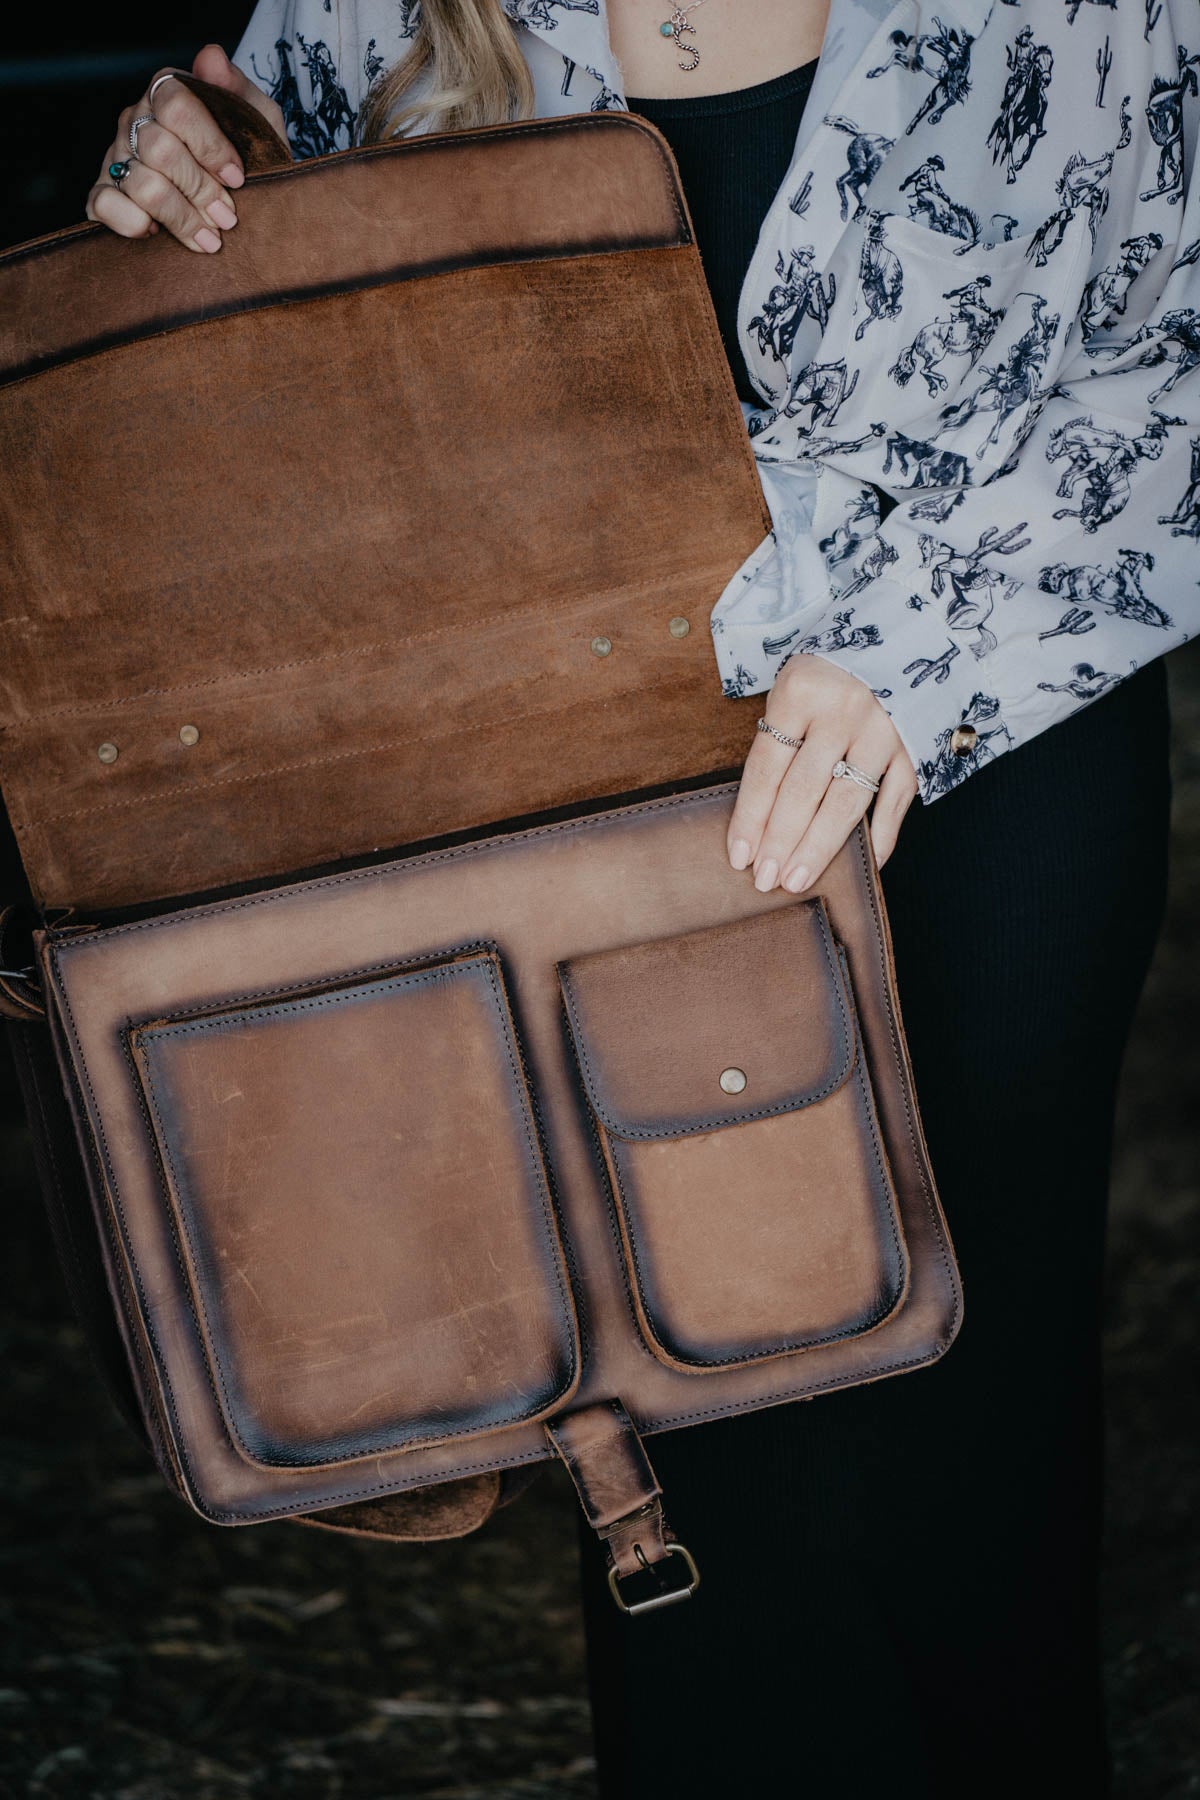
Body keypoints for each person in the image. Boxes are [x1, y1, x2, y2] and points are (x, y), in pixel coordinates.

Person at [86, 2, 1195, 1792]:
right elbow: (267, 311)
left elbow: (1184, 346)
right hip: (576, 815)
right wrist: (177, 180)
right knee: (678, 1436)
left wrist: (921, 651)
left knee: (972, 1428)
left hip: (985, 775)